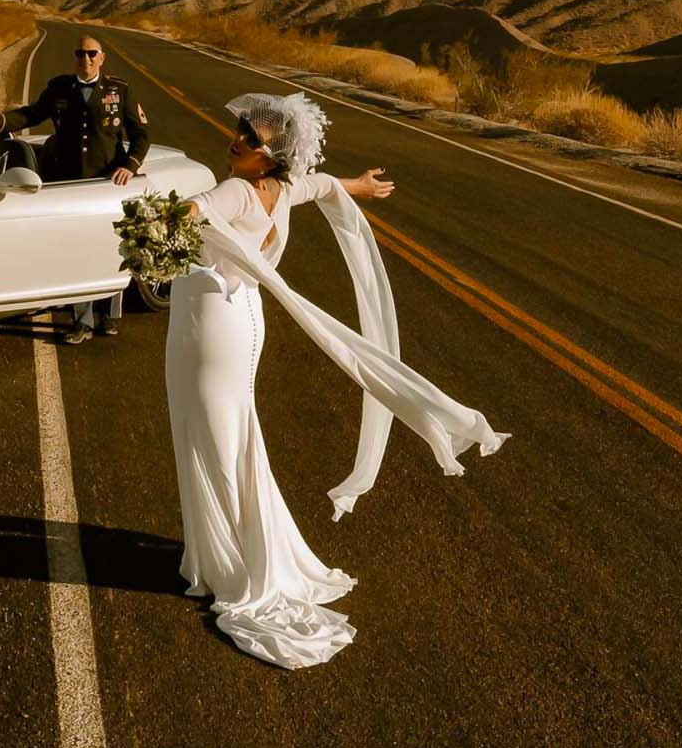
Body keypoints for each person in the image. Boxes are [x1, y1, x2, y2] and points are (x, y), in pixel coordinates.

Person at [168, 91, 506, 670]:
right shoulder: (283, 191)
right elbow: (320, 186)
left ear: (268, 159)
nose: (238, 140)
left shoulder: (234, 191)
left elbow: (186, 212)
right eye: (241, 131)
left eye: (250, 139)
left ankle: (233, 566)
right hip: (245, 321)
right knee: (233, 436)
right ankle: (236, 553)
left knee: (213, 441)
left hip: (210, 327)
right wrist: (359, 185)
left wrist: (145, 225)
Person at [0, 35, 149, 344]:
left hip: (105, 182)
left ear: (102, 57)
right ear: (75, 56)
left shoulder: (119, 90)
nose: (86, 59)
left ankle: (108, 315)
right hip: (68, 182)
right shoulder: (59, 88)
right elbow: (31, 114)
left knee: (111, 247)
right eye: (80, 53)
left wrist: (130, 166)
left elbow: (141, 134)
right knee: (77, 249)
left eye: (92, 54)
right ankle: (81, 321)